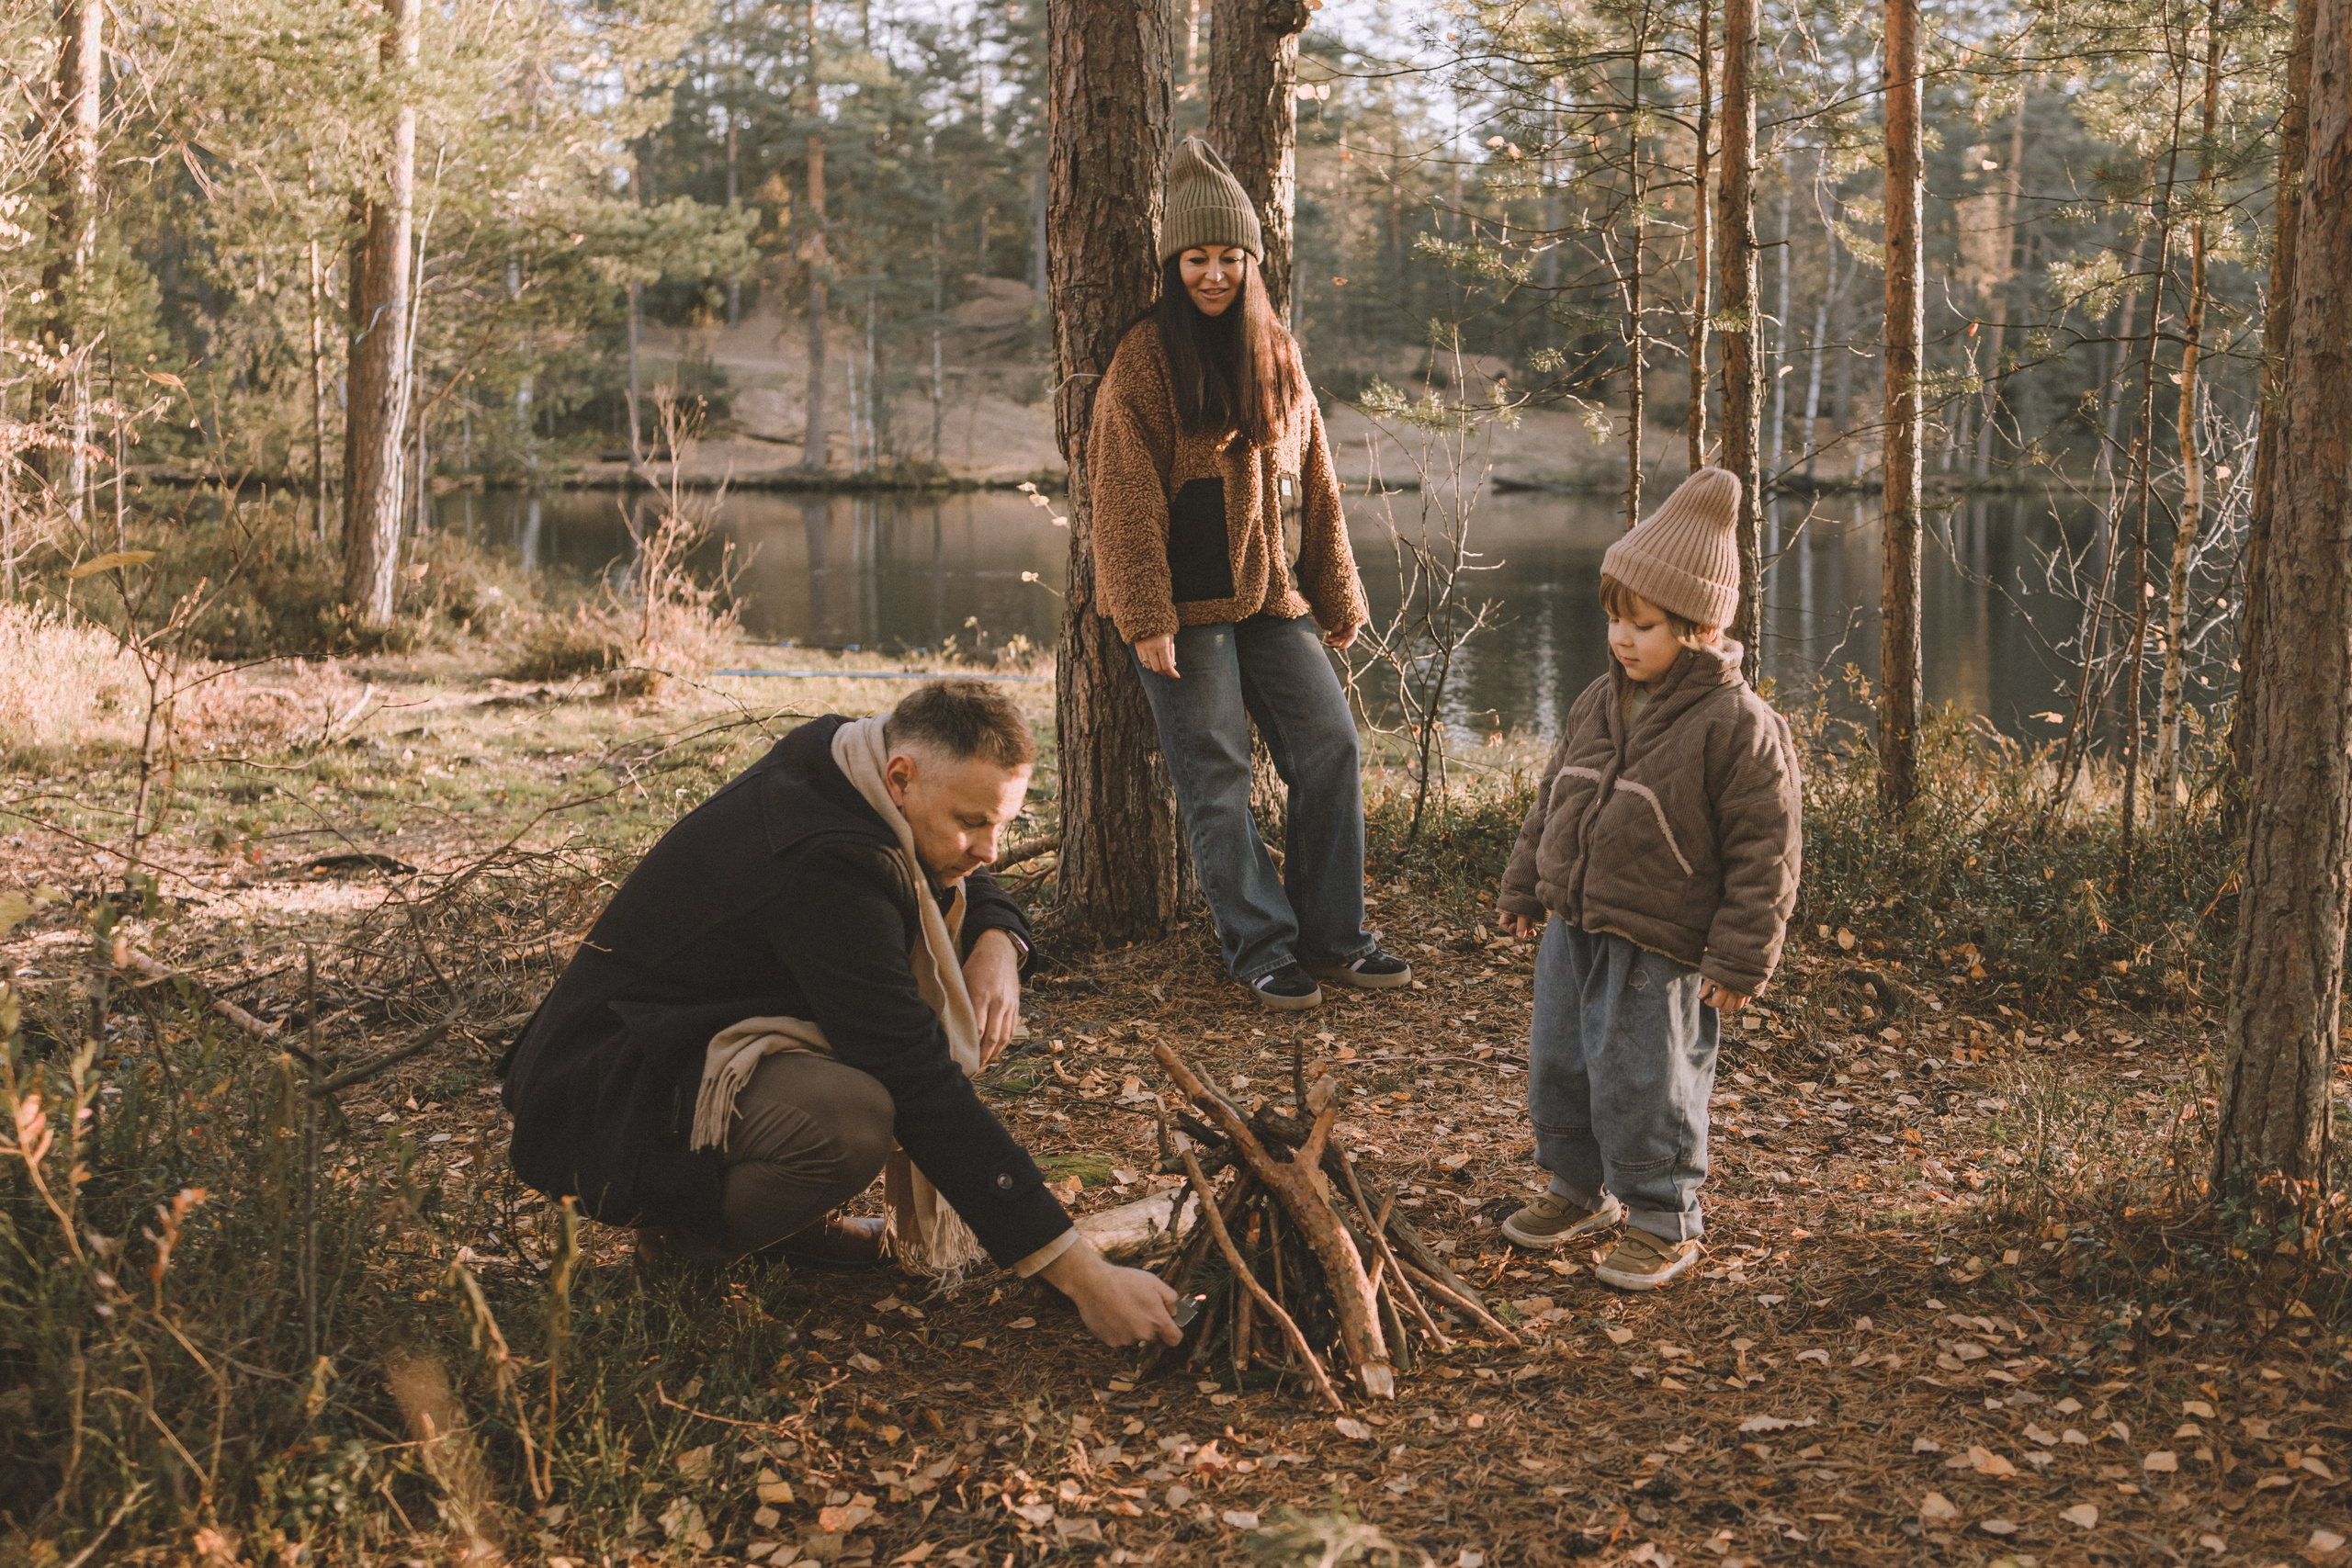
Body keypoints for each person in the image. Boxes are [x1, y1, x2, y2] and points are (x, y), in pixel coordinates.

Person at [500, 680, 1182, 1348]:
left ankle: (778, 1225)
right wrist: (1084, 1276)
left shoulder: (846, 758)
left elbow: (963, 863)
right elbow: (920, 1083)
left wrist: (1000, 937)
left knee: (857, 1079)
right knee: (850, 1116)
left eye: (1001, 822)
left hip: (685, 1038)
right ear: (901, 777)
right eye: (973, 823)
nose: (990, 850)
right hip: (606, 1091)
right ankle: (681, 1259)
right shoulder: (825, 867)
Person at [1089, 136, 1410, 1012]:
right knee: (1218, 776)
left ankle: (1334, 936)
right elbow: (1121, 496)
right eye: (1197, 258)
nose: (1214, 274)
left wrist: (1336, 586)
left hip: (1274, 597)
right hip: (1186, 608)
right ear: (1173, 264)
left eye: (1230, 257)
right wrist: (1144, 611)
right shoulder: (1144, 359)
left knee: (1331, 747)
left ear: (1252, 261)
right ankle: (1260, 947)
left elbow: (1318, 478)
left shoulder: (1278, 350)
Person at [1492, 468, 1803, 1291]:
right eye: (1614, 620)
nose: (1623, 639)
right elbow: (1556, 793)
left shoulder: (1738, 726)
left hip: (1663, 941)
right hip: (1577, 923)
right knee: (1561, 1058)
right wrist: (1528, 884)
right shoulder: (1601, 697)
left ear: (1699, 627)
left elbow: (1766, 850)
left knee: (1647, 1075)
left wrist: (1742, 957)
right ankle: (1575, 1187)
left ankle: (1665, 1218)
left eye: (1644, 625)